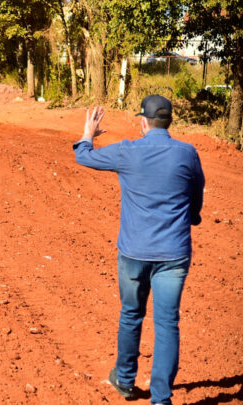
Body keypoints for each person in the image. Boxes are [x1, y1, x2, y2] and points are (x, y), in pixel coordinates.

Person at [73, 95, 205, 405]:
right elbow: (196, 194)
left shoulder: (128, 152)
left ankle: (125, 379)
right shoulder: (188, 153)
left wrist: (88, 135)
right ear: (168, 122)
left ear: (142, 122)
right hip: (173, 254)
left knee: (131, 315)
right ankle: (161, 398)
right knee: (168, 322)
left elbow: (84, 157)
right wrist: (193, 217)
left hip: (133, 253)